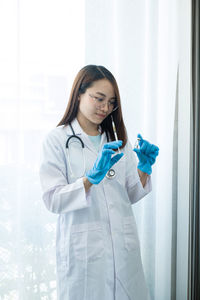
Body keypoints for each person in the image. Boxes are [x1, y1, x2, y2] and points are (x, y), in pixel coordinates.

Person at [39, 64, 159, 300]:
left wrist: (143, 168)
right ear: (79, 93)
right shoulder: (57, 140)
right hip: (84, 253)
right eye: (99, 98)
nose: (106, 107)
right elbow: (53, 200)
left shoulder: (117, 140)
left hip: (124, 250)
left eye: (112, 102)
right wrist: (89, 180)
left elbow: (130, 195)